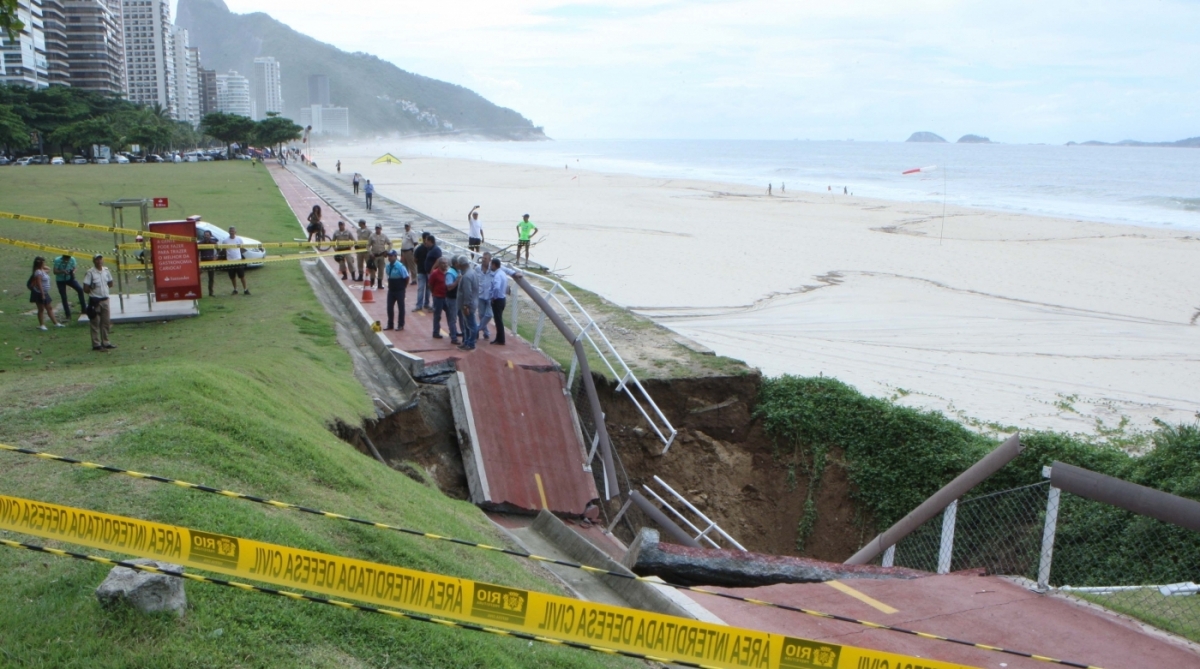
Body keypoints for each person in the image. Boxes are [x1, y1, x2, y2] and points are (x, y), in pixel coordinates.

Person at [82, 254, 114, 350]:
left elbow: (111, 283)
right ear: (94, 261)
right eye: (97, 259)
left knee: (106, 322)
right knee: (95, 322)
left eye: (100, 259)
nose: (99, 261)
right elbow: (85, 288)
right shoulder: (90, 273)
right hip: (95, 300)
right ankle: (96, 344)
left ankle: (106, 341)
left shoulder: (106, 271)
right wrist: (93, 289)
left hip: (105, 299)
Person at [28, 257, 62, 330]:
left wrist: (42, 266)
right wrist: (42, 294)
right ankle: (42, 325)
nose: (45, 264)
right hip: (39, 293)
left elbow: (49, 269)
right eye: (43, 262)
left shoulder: (42, 270)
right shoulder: (38, 272)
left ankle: (56, 323)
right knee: (41, 309)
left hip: (45, 293)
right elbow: (39, 284)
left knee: (49, 308)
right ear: (40, 263)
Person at [429, 257, 457, 341]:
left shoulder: (449, 273)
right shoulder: (435, 273)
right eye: (443, 263)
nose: (445, 265)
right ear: (439, 264)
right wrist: (434, 293)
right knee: (437, 315)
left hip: (447, 297)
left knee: (450, 315)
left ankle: (452, 331)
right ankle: (436, 332)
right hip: (438, 297)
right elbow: (430, 285)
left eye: (446, 263)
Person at [455, 256, 481, 351]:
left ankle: (470, 343)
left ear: (461, 265)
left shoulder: (466, 276)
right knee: (466, 325)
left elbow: (467, 292)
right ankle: (466, 342)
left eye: (458, 263)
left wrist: (466, 306)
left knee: (471, 325)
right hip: (472, 302)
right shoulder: (472, 272)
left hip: (468, 305)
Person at [52, 253, 86, 320]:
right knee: (64, 296)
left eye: (68, 260)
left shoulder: (72, 259)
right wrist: (62, 271)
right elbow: (54, 271)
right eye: (65, 260)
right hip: (60, 280)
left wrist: (73, 272)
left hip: (70, 278)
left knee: (80, 290)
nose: (67, 261)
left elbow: (75, 268)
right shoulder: (57, 260)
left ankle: (84, 309)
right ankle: (68, 315)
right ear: (63, 258)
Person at [383, 249, 409, 330]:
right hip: (391, 290)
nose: (389, 258)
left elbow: (406, 277)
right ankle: (390, 324)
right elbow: (388, 276)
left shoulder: (400, 266)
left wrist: (404, 287)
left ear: (395, 256)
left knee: (401, 308)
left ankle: (401, 325)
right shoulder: (387, 266)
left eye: (391, 256)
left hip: (400, 290)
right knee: (389, 307)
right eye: (388, 256)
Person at [419, 234, 443, 311]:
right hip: (428, 273)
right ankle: (429, 304)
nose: (426, 242)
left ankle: (435, 306)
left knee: (434, 289)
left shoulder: (436, 249)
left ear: (430, 241)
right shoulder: (430, 249)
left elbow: (439, 259)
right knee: (430, 289)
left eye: (427, 241)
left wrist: (432, 268)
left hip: (432, 273)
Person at [488, 258, 509, 345]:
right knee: (499, 319)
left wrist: (494, 297)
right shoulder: (503, 273)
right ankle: (499, 338)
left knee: (498, 320)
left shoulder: (497, 275)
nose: (490, 266)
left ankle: (500, 339)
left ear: (494, 265)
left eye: (491, 264)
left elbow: (496, 287)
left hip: (498, 300)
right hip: (502, 298)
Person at [367, 224, 392, 289]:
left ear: (381, 229)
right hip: (374, 256)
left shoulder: (384, 236)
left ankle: (379, 284)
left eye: (379, 228)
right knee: (373, 270)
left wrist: (387, 251)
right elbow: (367, 245)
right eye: (376, 228)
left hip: (381, 256)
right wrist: (370, 253)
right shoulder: (372, 236)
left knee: (381, 270)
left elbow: (390, 243)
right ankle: (372, 282)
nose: (377, 229)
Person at [225, 226, 249, 295]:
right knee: (232, 277)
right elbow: (224, 250)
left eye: (233, 231)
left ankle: (245, 289)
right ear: (229, 232)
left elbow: (242, 248)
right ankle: (235, 289)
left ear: (235, 232)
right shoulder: (225, 241)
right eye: (230, 231)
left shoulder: (239, 239)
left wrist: (239, 256)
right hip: (230, 261)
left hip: (238, 260)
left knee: (242, 276)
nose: (231, 232)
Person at [444, 255, 461, 345]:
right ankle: (453, 337)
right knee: (452, 318)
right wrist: (457, 281)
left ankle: (459, 333)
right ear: (455, 263)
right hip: (452, 299)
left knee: (460, 317)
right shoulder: (450, 273)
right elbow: (449, 287)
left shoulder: (457, 271)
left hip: (457, 299)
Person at [477, 252, 494, 340]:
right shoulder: (477, 268)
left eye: (485, 259)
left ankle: (477, 329)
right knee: (481, 314)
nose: (483, 260)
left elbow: (505, 270)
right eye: (483, 258)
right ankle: (486, 332)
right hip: (480, 295)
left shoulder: (492, 269)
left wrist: (514, 273)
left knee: (489, 314)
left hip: (490, 296)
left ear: (490, 260)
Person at [198, 229, 220, 296]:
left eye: (208, 235)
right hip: (202, 263)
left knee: (211, 278)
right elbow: (196, 252)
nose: (206, 236)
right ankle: (198, 292)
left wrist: (216, 257)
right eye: (205, 235)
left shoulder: (213, 243)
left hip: (211, 262)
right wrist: (198, 261)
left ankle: (211, 293)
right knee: (198, 277)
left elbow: (219, 250)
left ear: (210, 236)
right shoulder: (200, 243)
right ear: (203, 236)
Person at [412, 232, 431, 312]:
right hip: (421, 271)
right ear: (423, 239)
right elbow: (415, 260)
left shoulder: (431, 248)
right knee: (421, 288)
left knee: (428, 289)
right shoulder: (419, 249)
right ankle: (419, 305)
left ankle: (426, 303)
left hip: (429, 272)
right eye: (427, 239)